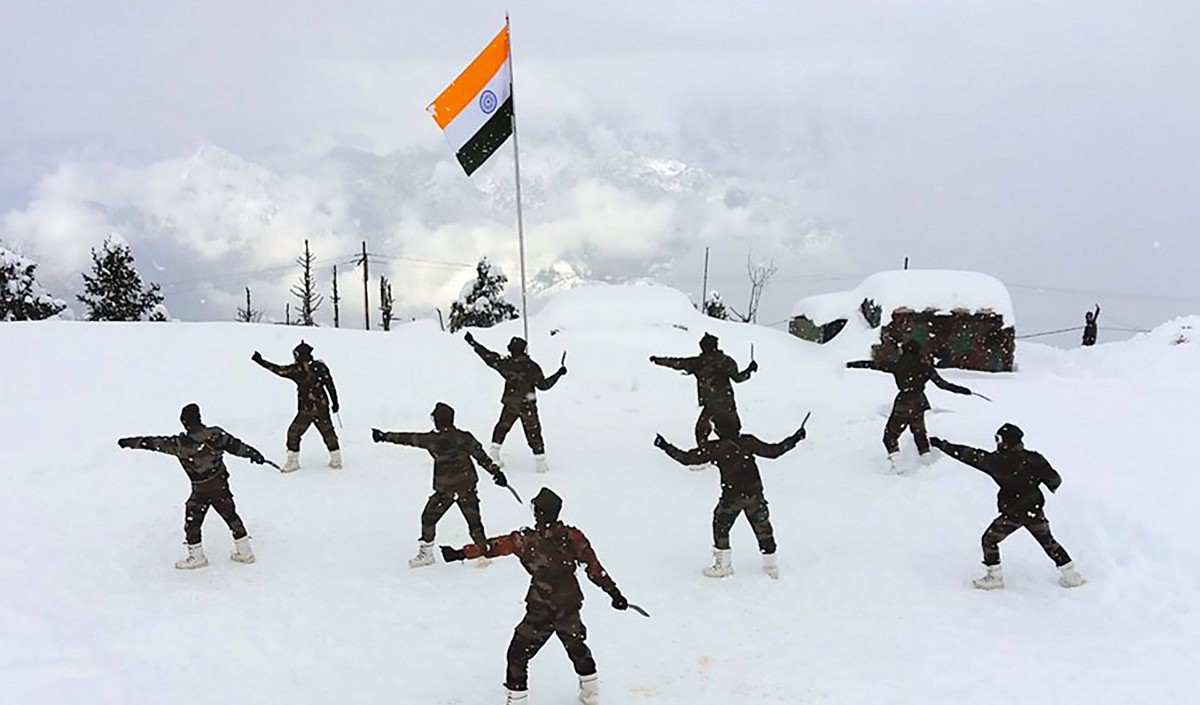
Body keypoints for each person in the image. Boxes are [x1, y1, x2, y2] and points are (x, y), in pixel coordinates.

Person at [440, 488, 629, 705]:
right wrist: (614, 593)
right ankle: (591, 692)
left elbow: (492, 547)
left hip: (541, 608)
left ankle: (517, 700)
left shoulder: (525, 540)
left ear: (538, 513)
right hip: (569, 604)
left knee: (518, 655)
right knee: (576, 646)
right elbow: (594, 568)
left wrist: (459, 553)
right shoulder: (573, 537)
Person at [653, 411, 806, 580]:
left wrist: (665, 446)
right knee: (762, 526)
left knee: (721, 524)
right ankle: (771, 565)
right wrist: (795, 438)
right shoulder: (748, 441)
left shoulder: (716, 448)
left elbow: (687, 458)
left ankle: (723, 565)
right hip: (755, 493)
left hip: (732, 496)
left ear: (718, 430)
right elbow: (774, 451)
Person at [930, 424, 1086, 590]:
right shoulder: (1034, 458)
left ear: (1004, 442)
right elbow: (1055, 480)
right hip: (1034, 509)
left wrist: (942, 445)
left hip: (1013, 513)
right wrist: (1038, 479)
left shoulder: (995, 462)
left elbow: (969, 454)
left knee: (989, 540)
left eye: (998, 439)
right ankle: (1072, 575)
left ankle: (995, 577)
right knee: (1048, 541)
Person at [117, 403, 269, 569]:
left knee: (193, 522)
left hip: (201, 491)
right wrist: (254, 454)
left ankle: (197, 557)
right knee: (231, 516)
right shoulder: (215, 435)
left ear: (184, 422)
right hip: (220, 486)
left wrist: (130, 442)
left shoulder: (179, 444)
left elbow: (152, 443)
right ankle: (245, 552)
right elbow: (237, 446)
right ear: (199, 418)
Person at [371, 402, 509, 569]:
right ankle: (482, 553)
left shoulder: (432, 440)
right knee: (474, 522)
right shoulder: (464, 437)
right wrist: (496, 473)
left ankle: (426, 554)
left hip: (445, 491)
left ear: (437, 421)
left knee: (428, 518)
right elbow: (482, 457)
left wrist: (384, 436)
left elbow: (408, 438)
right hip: (467, 487)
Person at [845, 339, 973, 464]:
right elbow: (943, 384)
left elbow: (874, 365)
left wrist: (852, 364)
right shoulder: (925, 367)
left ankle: (898, 464)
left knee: (890, 437)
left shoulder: (897, 365)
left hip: (904, 403)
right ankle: (927, 463)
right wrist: (962, 390)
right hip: (919, 402)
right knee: (920, 435)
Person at [464, 332, 567, 473]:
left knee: (502, 427)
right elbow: (543, 386)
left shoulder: (506, 364)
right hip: (527, 405)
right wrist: (559, 373)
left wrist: (473, 343)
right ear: (524, 349)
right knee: (533, 432)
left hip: (511, 403)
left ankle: (494, 454)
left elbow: (488, 357)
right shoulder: (532, 366)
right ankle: (540, 463)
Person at [650, 333, 757, 446]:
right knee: (730, 434)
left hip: (712, 405)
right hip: (727, 404)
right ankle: (731, 455)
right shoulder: (726, 361)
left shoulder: (699, 362)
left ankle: (709, 455)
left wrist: (658, 360)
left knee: (702, 433)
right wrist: (749, 370)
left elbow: (678, 363)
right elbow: (738, 378)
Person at [252, 340, 340, 473]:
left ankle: (293, 462)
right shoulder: (320, 367)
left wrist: (261, 361)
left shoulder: (297, 370)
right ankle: (336, 460)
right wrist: (335, 402)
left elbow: (279, 370)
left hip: (307, 409)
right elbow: (330, 384)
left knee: (294, 433)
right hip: (322, 406)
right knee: (328, 432)